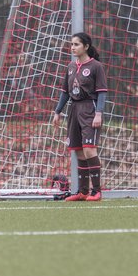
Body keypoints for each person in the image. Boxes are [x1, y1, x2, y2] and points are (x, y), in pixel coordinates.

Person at [52, 32, 107, 201]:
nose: (73, 47)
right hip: (73, 110)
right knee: (78, 152)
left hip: (89, 108)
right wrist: (57, 112)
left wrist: (98, 114)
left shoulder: (96, 66)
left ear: (86, 47)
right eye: (72, 44)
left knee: (89, 149)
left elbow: (102, 93)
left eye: (76, 44)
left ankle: (96, 191)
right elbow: (65, 92)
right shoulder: (70, 66)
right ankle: (83, 191)